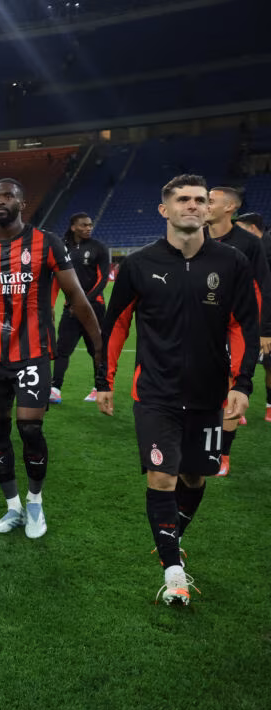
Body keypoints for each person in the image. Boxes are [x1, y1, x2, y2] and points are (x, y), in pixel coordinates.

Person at [97, 174, 258, 605]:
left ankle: (171, 536)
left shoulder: (231, 262)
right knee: (162, 475)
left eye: (200, 200)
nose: (193, 205)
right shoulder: (139, 264)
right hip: (155, 392)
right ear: (164, 210)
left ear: (209, 209)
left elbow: (243, 324)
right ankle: (173, 573)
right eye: (183, 199)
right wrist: (104, 380)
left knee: (193, 476)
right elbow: (116, 326)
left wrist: (241, 382)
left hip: (209, 393)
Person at [0, 178, 101, 539]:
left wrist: (100, 347)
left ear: (22, 203)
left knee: (30, 428)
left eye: (8, 196)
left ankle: (35, 501)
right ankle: (13, 507)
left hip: (33, 353)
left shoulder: (46, 243)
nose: (0, 201)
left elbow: (76, 296)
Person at [204, 187, 271, 476]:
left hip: (236, 327)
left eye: (210, 201)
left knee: (233, 387)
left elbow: (263, 286)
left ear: (230, 207)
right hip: (200, 326)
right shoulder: (195, 236)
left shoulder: (249, 243)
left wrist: (264, 330)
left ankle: (223, 454)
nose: (204, 205)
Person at [49, 213, 110, 404]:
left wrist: (83, 302)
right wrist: (51, 305)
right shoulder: (62, 248)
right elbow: (56, 278)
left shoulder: (99, 247)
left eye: (90, 225)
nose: (88, 228)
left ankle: (99, 387)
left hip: (95, 308)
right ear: (73, 227)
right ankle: (55, 389)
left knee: (97, 349)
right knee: (62, 349)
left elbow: (103, 279)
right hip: (70, 310)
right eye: (84, 225)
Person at [235, 212, 271, 421]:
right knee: (237, 360)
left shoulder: (265, 246)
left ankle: (269, 405)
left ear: (251, 228)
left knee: (269, 362)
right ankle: (236, 403)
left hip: (267, 314)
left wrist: (265, 330)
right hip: (246, 312)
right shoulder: (243, 249)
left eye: (240, 229)